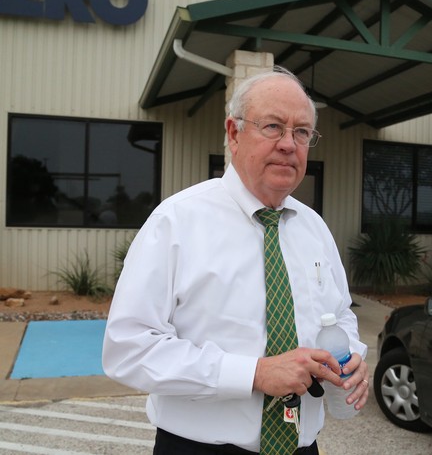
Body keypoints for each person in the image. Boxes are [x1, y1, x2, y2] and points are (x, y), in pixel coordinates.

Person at [102, 66, 369, 454]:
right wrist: (255, 373)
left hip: (301, 445)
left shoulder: (314, 228)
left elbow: (340, 313)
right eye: (273, 126)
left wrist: (353, 355)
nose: (288, 144)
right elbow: (129, 348)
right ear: (233, 133)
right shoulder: (176, 222)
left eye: (301, 132)